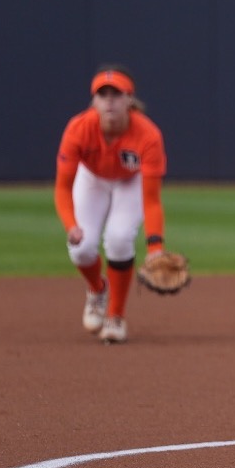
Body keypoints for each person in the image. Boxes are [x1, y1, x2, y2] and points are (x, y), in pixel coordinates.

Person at [54, 66, 170, 344]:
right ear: (93, 101)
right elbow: (62, 188)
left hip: (129, 182)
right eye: (102, 94)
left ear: (129, 99)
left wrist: (155, 247)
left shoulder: (148, 135)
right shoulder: (78, 129)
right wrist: (70, 225)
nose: (109, 101)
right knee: (81, 249)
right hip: (91, 179)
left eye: (116, 94)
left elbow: (152, 199)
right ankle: (97, 289)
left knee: (119, 239)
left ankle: (115, 317)